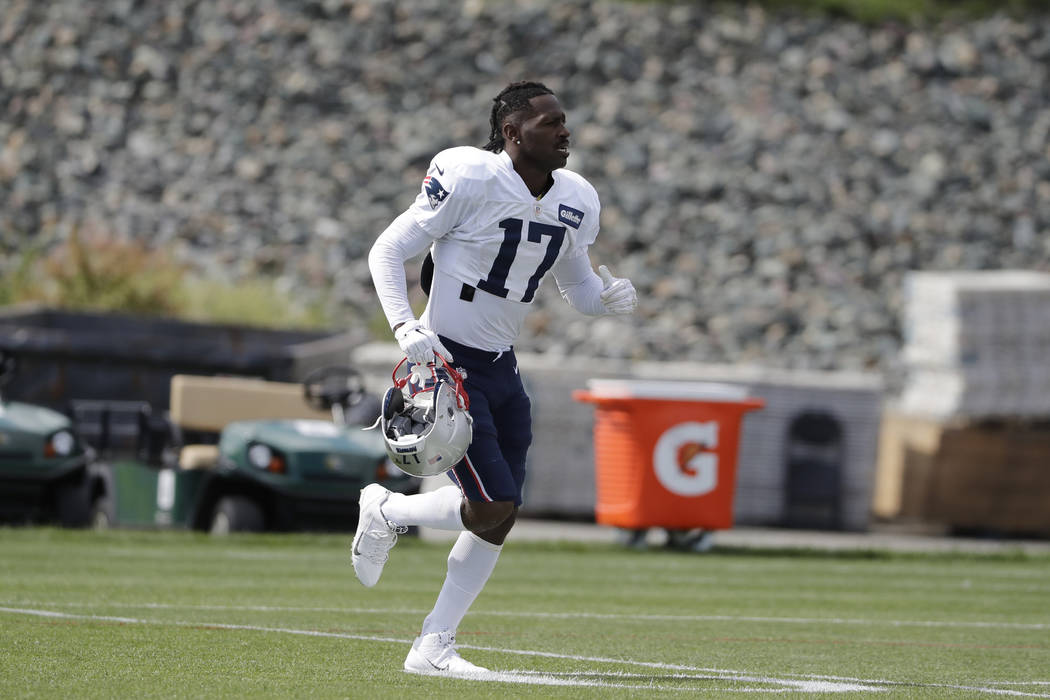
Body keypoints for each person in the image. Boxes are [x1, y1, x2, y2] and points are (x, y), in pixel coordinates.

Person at [356, 80, 638, 676]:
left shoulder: (577, 198)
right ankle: (387, 511)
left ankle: (433, 645)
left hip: (502, 365)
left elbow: (576, 285)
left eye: (565, 120)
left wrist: (606, 299)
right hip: (446, 362)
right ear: (513, 134)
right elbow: (387, 250)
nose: (565, 131)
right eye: (549, 123)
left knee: (501, 514)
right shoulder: (470, 176)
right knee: (492, 505)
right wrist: (406, 328)